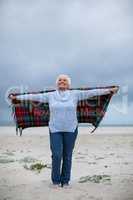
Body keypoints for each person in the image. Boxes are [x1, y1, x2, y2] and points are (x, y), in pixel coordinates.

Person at [9, 74, 118, 188]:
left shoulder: (75, 94)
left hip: (71, 129)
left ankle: (65, 181)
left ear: (68, 84)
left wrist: (109, 90)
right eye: (60, 80)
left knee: (67, 155)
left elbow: (92, 92)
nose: (62, 81)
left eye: (64, 80)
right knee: (56, 155)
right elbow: (34, 96)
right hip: (55, 129)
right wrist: (17, 97)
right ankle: (56, 181)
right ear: (57, 83)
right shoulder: (50, 95)